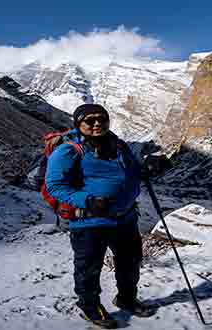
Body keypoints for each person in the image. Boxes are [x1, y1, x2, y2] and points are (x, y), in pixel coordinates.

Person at [45, 104, 155, 328]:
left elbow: (130, 171)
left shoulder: (118, 144)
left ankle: (126, 298)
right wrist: (88, 200)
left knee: (130, 263)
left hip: (125, 218)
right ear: (78, 123)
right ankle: (89, 306)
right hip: (89, 221)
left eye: (102, 119)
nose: (97, 124)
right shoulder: (68, 150)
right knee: (89, 268)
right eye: (90, 120)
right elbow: (55, 185)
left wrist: (147, 168)